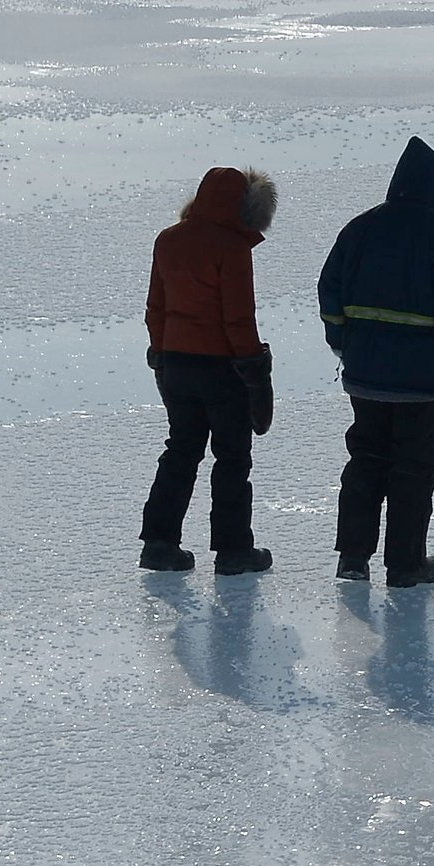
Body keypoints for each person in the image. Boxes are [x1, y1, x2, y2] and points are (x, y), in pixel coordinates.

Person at [318, 136, 434, 588]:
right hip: (420, 383)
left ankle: (353, 558)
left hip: (366, 377)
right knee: (413, 472)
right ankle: (406, 565)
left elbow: (329, 292)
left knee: (365, 463)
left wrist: (341, 342)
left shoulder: (359, 228)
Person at [142, 167, 278, 574]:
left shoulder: (168, 240)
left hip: (177, 364)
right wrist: (255, 368)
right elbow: (238, 319)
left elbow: (156, 309)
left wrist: (161, 355)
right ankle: (234, 549)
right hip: (222, 369)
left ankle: (159, 543)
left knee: (181, 451)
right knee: (232, 457)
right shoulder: (232, 248)